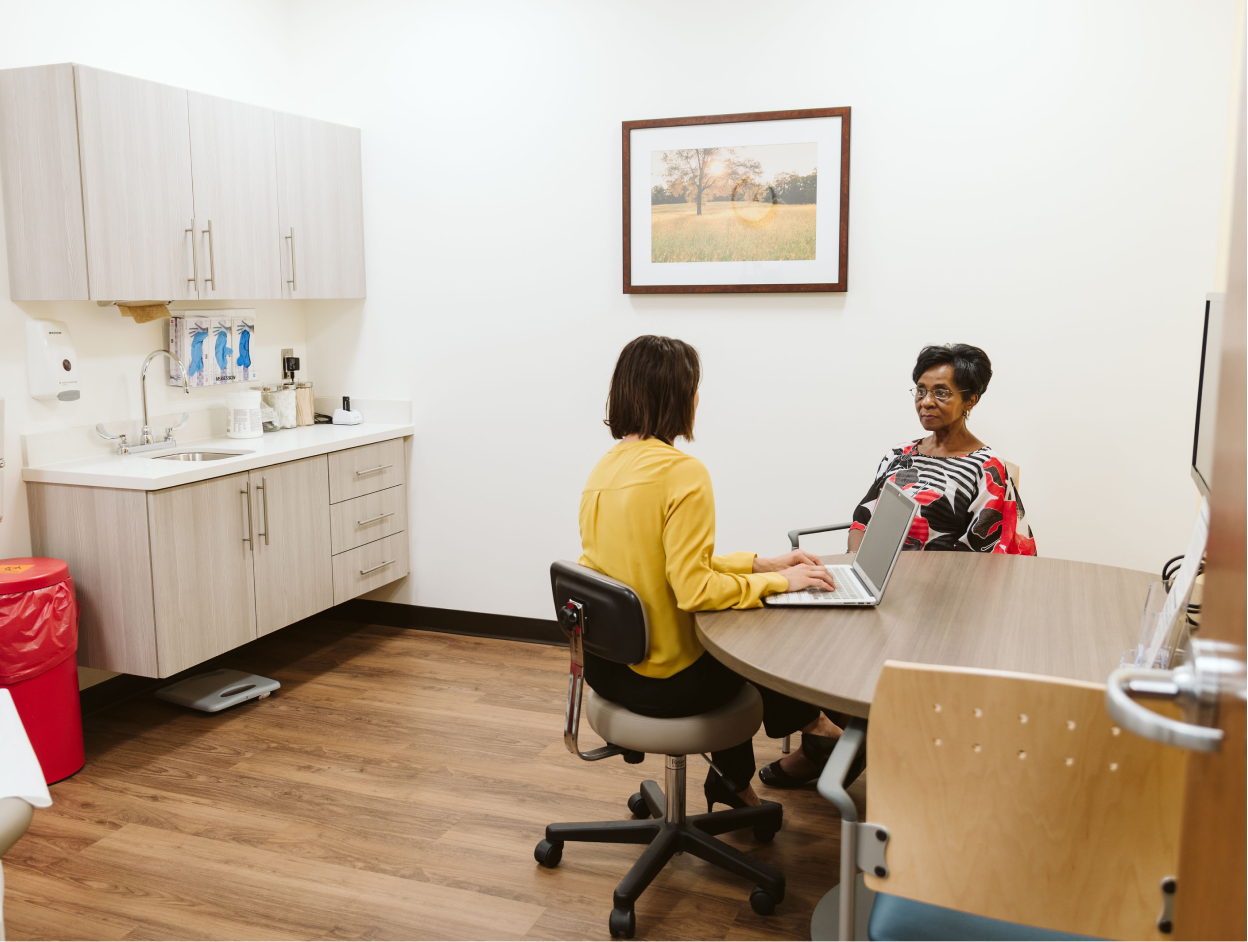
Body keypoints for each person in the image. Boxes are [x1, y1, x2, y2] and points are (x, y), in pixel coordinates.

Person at [579, 335, 848, 810]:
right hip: (664, 679)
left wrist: (757, 564)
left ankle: (747, 776)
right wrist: (777, 583)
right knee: (755, 634)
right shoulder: (683, 472)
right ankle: (816, 734)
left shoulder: (604, 470)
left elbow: (656, 564)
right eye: (694, 387)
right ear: (680, 396)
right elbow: (694, 589)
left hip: (609, 670)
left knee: (739, 616)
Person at [847, 343, 1036, 555]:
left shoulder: (985, 468)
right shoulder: (899, 455)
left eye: (941, 392)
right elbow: (863, 521)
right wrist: (855, 566)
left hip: (940, 583)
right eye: (921, 390)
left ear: (969, 401)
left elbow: (981, 555)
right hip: (876, 577)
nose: (926, 402)